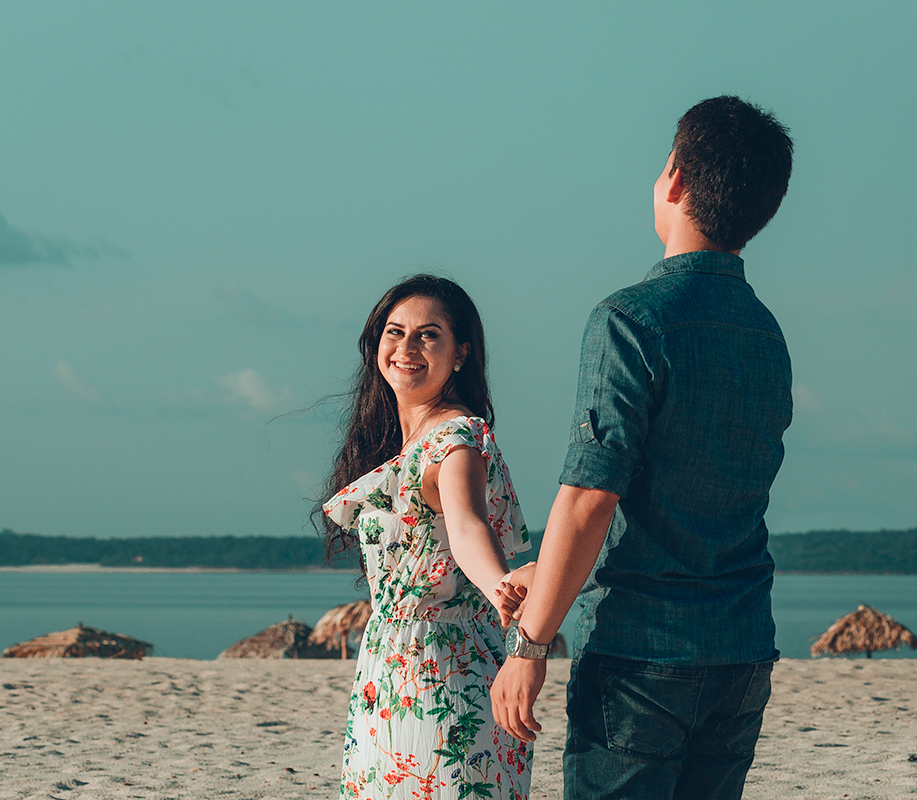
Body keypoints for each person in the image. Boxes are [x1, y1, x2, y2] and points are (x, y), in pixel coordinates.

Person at [491, 96, 795, 800]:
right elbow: (693, 492)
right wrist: (551, 569)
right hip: (742, 647)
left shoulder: (630, 319)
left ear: (675, 179)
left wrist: (530, 644)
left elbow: (591, 496)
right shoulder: (766, 332)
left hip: (641, 653)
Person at [321, 274, 533, 800]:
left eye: (428, 335)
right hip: (389, 667)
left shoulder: (455, 439)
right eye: (395, 332)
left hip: (441, 669)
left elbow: (467, 524)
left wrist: (499, 586)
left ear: (460, 353)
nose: (407, 348)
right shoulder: (407, 439)